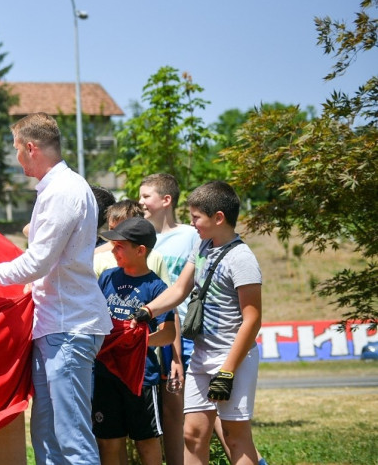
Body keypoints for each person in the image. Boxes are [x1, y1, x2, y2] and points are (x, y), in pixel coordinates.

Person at [0, 112, 112, 465]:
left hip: (69, 328)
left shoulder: (63, 192)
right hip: (56, 325)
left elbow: (38, 262)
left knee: (71, 439)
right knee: (47, 436)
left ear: (31, 148)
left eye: (16, 149)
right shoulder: (61, 188)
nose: (15, 158)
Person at [132, 181, 263, 465]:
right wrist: (147, 311)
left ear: (218, 218)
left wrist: (228, 371)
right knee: (192, 434)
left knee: (234, 435)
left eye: (196, 218)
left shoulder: (242, 258)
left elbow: (252, 320)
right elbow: (179, 290)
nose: (192, 224)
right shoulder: (202, 246)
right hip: (202, 357)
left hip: (232, 359)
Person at [93, 217, 175, 465]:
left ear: (140, 251)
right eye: (113, 245)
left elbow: (169, 334)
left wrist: (137, 342)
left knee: (146, 441)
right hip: (105, 375)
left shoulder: (157, 287)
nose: (114, 250)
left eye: (120, 246)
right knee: (109, 441)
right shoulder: (107, 277)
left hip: (141, 377)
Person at [139, 173, 198, 465]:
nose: (141, 202)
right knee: (168, 413)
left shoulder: (191, 236)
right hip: (156, 335)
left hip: (187, 334)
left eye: (146, 196)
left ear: (166, 200)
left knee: (197, 413)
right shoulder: (140, 238)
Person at [94, 200, 172, 286]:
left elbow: (166, 295)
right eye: (112, 229)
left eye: (122, 230)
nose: (115, 236)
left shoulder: (155, 257)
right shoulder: (98, 260)